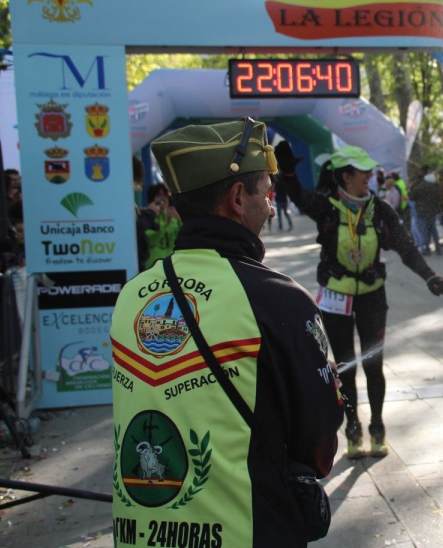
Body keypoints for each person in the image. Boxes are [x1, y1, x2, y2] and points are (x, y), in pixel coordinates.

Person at [111, 118, 344, 547]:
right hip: (247, 531)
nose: (272, 207)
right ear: (238, 197)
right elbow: (320, 441)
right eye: (267, 194)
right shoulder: (278, 299)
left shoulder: (131, 297)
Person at [276, 144, 443, 459]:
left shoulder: (380, 209)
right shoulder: (327, 206)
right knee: (345, 368)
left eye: (370, 171)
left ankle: (378, 428)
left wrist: (429, 276)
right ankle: (353, 429)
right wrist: (287, 172)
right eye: (363, 172)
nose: (370, 176)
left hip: (372, 295)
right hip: (335, 299)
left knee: (373, 365)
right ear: (345, 176)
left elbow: (406, 248)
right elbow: (300, 197)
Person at [138, 183, 183, 270]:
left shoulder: (174, 216)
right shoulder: (148, 216)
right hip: (152, 264)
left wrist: (180, 219)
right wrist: (165, 224)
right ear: (152, 198)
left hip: (173, 264)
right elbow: (150, 240)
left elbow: (182, 237)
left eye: (165, 195)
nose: (162, 198)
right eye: (159, 195)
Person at [409, 166, 442, 256]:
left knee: (424, 231)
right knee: (433, 231)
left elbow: (412, 197)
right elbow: (438, 197)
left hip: (422, 211)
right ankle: (438, 249)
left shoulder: (419, 186)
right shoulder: (435, 185)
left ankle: (426, 249)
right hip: (433, 211)